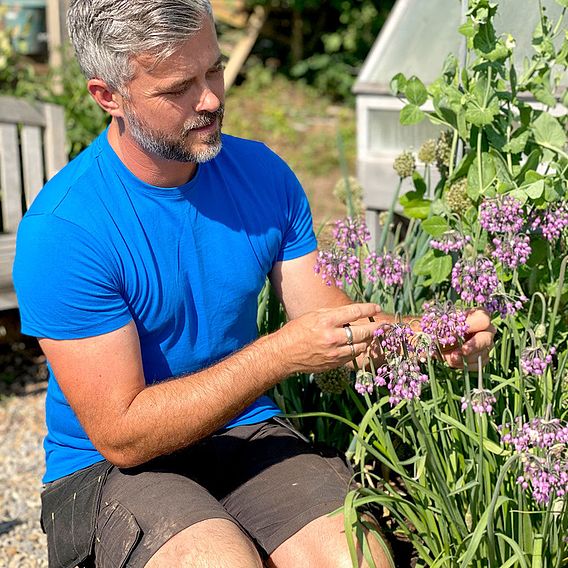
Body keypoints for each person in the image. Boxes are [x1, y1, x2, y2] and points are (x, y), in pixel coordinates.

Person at [13, 1, 495, 566]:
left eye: (214, 69)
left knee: (355, 557)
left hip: (241, 430)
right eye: (179, 88)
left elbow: (331, 321)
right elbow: (123, 432)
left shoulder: (261, 174)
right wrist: (279, 356)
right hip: (110, 468)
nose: (212, 98)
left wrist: (426, 336)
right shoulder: (66, 229)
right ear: (108, 96)